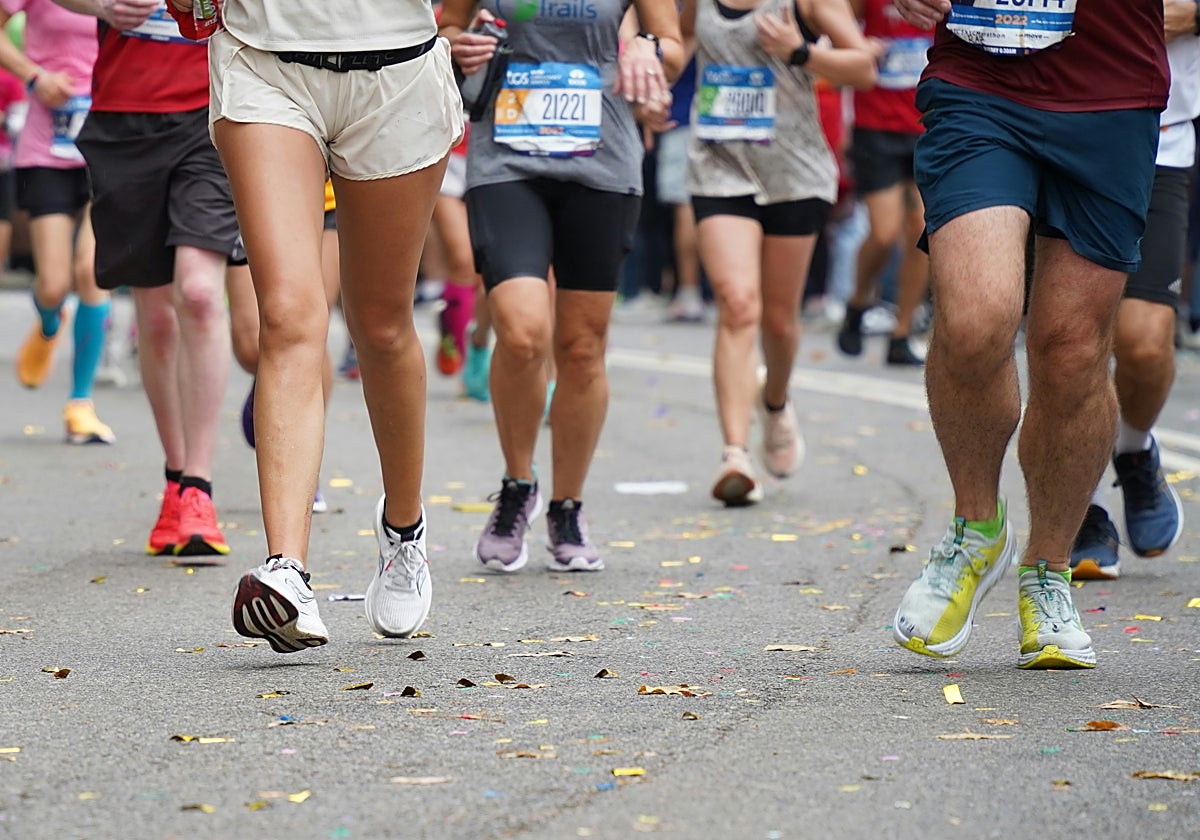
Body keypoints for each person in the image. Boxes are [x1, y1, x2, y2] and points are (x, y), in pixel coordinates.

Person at [164, 0, 463, 651]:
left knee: (380, 327)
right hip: (266, 62)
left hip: (399, 68)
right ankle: (287, 570)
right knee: (290, 316)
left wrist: (455, 23)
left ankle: (404, 533)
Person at [889, 0, 1167, 669]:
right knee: (977, 316)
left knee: (1071, 349)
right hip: (980, 81)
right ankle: (975, 530)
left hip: (1110, 89)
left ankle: (1048, 570)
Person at [440, 0, 683, 573]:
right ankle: (517, 484)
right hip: (507, 160)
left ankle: (566, 507)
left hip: (601, 160)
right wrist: (457, 43)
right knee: (523, 333)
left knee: (580, 347)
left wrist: (648, 49)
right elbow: (446, 25)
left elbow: (672, 45)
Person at [58, 0, 237, 559]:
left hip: (215, 109)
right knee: (157, 317)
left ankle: (200, 490)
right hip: (125, 116)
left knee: (201, 295)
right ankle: (176, 477)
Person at [684, 0, 875, 506]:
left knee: (778, 321)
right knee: (737, 303)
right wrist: (652, 76)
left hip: (794, 172)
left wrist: (800, 51)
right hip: (719, 164)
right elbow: (675, 41)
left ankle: (774, 403)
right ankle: (734, 454)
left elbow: (864, 67)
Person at [1069, 2, 1198, 580]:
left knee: (1144, 343)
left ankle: (1134, 448)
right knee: (1072, 336)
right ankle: (1081, 505)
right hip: (1056, 130)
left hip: (1158, 141)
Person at [3, 0, 116, 444]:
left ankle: (80, 404)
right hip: (44, 148)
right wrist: (36, 76)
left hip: (107, 142)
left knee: (92, 269)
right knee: (52, 285)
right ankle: (50, 323)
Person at [228, 180, 341, 514]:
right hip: (249, 188)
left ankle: (301, 463)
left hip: (325, 196)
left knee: (308, 329)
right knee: (251, 347)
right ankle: (275, 378)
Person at [835, 0, 928, 366]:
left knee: (923, 229)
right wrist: (860, 50)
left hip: (927, 125)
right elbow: (835, 25)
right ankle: (858, 301)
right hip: (876, 127)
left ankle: (901, 333)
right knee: (884, 232)